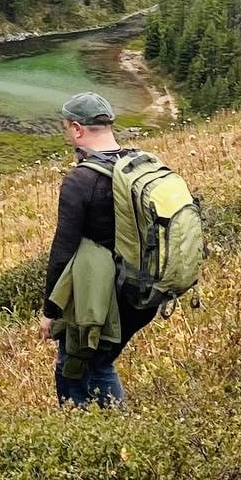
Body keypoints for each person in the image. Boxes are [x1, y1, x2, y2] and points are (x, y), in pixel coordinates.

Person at [42, 90, 151, 409]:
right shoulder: (137, 164)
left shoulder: (80, 180)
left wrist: (50, 311)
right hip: (142, 292)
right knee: (100, 361)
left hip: (100, 296)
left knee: (80, 367)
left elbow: (63, 250)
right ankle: (104, 430)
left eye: (67, 129)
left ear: (77, 128)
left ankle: (96, 438)